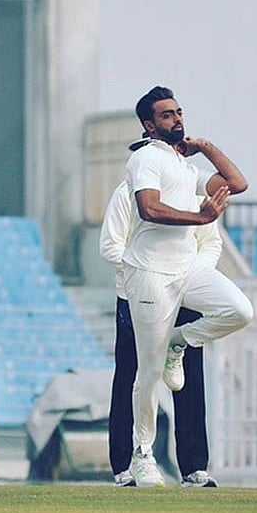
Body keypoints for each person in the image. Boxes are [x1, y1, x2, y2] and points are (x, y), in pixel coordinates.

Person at [122, 85, 253, 487]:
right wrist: (201, 218)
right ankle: (142, 456)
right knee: (147, 371)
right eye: (167, 115)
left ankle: (180, 341)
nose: (177, 119)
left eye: (179, 112)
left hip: (187, 270)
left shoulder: (184, 164)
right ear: (149, 124)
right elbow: (149, 208)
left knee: (239, 310)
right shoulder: (145, 158)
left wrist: (206, 146)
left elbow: (237, 183)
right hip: (150, 273)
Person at [99, 176, 221, 488]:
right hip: (139, 295)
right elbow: (111, 246)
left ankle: (194, 468)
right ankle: (125, 465)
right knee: (132, 376)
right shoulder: (128, 194)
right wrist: (149, 275)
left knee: (190, 378)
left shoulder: (192, 197)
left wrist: (188, 275)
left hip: (184, 295)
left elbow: (210, 244)